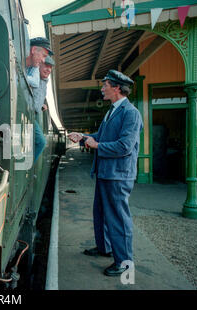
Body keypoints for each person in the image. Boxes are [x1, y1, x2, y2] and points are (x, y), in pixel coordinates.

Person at [67, 70, 143, 277]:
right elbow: (99, 136)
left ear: (117, 88)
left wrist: (97, 145)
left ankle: (125, 263)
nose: (102, 88)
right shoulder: (112, 111)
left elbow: (125, 146)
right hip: (106, 173)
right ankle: (105, 248)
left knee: (118, 219)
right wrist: (82, 136)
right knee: (100, 214)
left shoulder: (131, 113)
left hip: (118, 175)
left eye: (105, 85)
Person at [32, 56, 54, 163]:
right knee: (41, 142)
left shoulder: (44, 82)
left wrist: (42, 105)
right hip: (29, 114)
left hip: (33, 114)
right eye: (46, 66)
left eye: (50, 68)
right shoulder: (33, 76)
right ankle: (29, 166)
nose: (49, 70)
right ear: (39, 64)